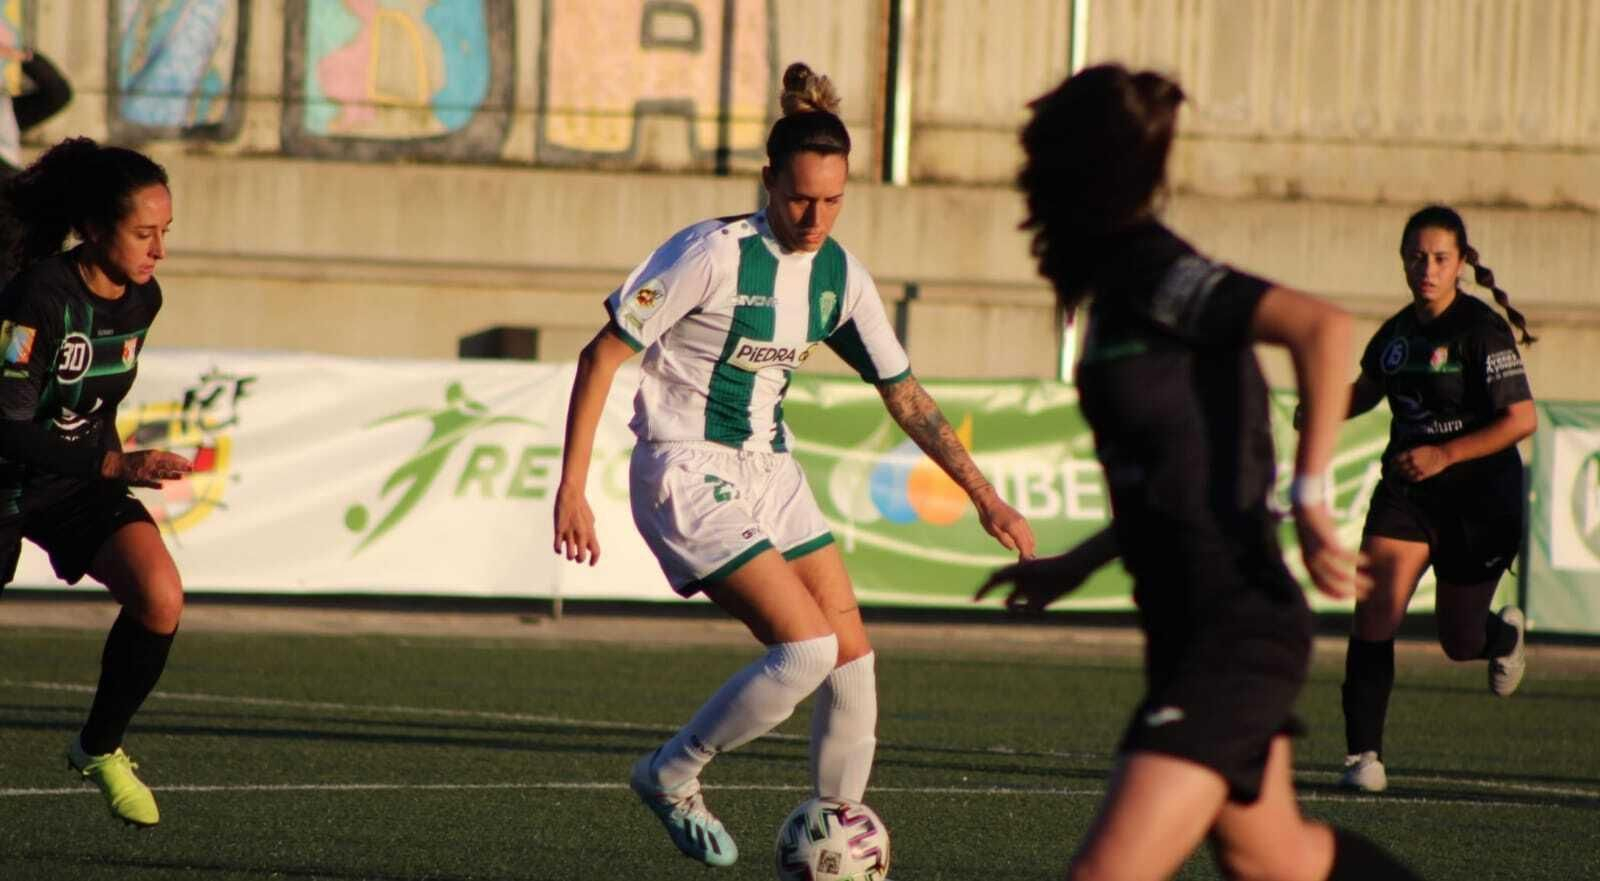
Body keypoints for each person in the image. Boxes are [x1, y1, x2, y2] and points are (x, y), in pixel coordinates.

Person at [553, 62, 1035, 868]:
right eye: (802, 199)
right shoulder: (709, 254)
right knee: (805, 650)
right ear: (770, 181)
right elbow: (601, 354)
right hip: (684, 468)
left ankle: (838, 845)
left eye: (834, 200)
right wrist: (572, 488)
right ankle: (671, 772)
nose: (816, 218)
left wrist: (985, 495)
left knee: (852, 661)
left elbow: (905, 394)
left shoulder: (839, 276)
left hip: (770, 470)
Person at [981, 64, 1423, 881]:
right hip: (1186, 627)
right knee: (1276, 858)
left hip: (1234, 628)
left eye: (1040, 161)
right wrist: (1074, 564)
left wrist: (1311, 498)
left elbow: (1323, 328)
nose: (1027, 181)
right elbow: (1169, 479)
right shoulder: (1112, 290)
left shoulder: (1156, 273)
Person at [0, 137, 192, 828]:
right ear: (94, 228)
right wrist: (116, 464)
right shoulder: (38, 295)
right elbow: (8, 427)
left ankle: (99, 748)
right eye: (144, 233)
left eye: (165, 232)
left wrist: (110, 463)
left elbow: (97, 403)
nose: (158, 250)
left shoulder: (143, 300)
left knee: (160, 596)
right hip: (7, 477)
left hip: (75, 477)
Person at [1333, 205, 1536, 792]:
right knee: (1374, 611)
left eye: (1441, 259)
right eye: (1417, 257)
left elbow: (1521, 419)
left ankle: (1503, 637)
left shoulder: (1481, 331)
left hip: (1480, 501)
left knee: (1459, 641)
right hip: (1408, 496)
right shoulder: (1396, 333)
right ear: (1403, 261)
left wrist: (1445, 455)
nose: (1427, 269)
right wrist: (1321, 408)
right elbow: (1366, 390)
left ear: (1461, 264)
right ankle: (1363, 757)